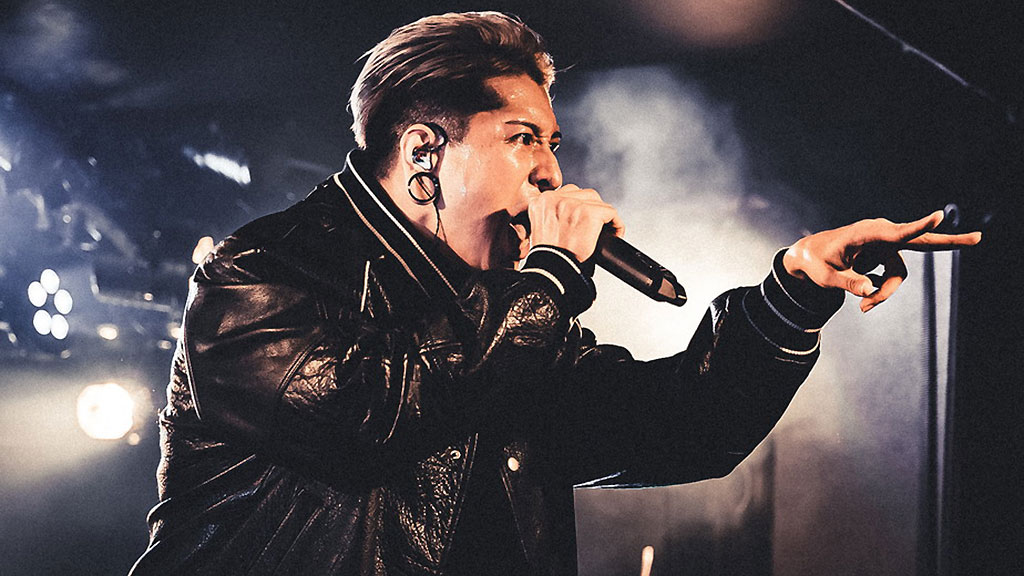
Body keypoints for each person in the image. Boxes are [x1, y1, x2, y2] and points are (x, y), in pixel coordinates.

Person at [127, 11, 980, 576]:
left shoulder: (511, 320)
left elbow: (679, 428)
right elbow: (371, 419)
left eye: (554, 142)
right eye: (522, 138)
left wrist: (791, 293)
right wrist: (548, 279)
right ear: (425, 152)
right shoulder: (261, 275)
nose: (551, 172)